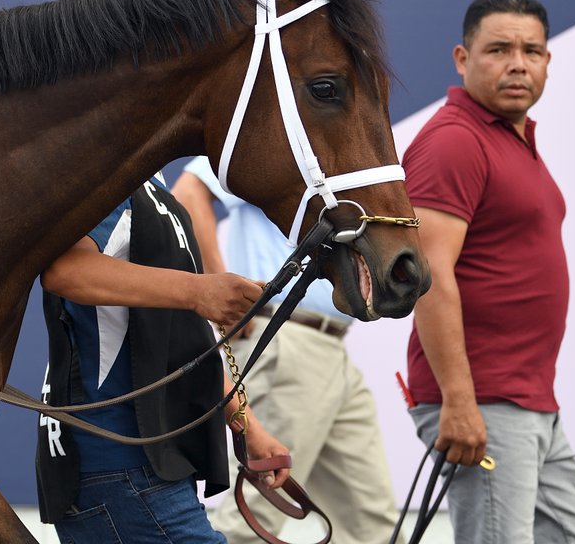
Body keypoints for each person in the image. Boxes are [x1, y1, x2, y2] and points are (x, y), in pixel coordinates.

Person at [403, 0, 575, 542]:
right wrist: (461, 403)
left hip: (529, 399)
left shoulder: (509, 137)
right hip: (483, 402)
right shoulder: (455, 141)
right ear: (462, 58)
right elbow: (428, 276)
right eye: (499, 49)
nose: (518, 63)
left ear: (547, 61)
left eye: (531, 50)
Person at [35, 175, 290, 543]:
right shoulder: (107, 170)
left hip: (150, 464)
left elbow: (183, 340)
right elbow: (65, 270)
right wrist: (198, 290)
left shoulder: (154, 185)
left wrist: (249, 428)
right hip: (117, 462)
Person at [173, 157, 403, 544]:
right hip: (284, 338)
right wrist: (222, 286)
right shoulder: (274, 134)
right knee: (253, 518)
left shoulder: (342, 149)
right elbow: (187, 192)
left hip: (331, 349)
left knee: (374, 525)